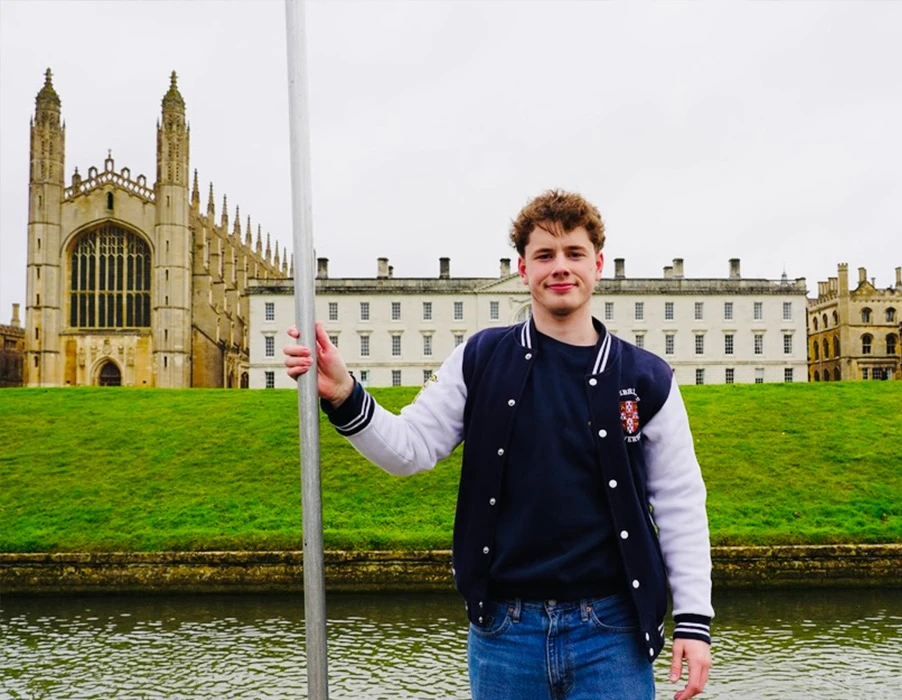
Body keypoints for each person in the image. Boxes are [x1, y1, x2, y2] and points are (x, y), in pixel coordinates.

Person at [284, 190, 713, 700]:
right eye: (544, 255)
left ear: (597, 265)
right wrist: (344, 393)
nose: (560, 267)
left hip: (611, 632)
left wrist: (693, 621)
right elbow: (410, 448)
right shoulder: (481, 358)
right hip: (506, 634)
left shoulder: (645, 377)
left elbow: (680, 501)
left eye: (574, 253)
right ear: (523, 269)